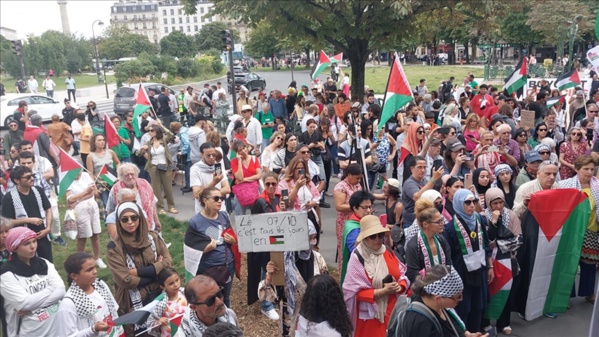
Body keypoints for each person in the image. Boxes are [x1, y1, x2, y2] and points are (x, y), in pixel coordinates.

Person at [106, 202, 173, 336]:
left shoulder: (152, 237)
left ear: (140, 218)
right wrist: (156, 272)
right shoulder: (114, 247)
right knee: (140, 332)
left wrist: (136, 272)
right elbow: (125, 280)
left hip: (157, 294)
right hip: (131, 299)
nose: (130, 222)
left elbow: (169, 262)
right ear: (119, 222)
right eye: (125, 219)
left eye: (134, 217)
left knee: (161, 328)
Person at [343, 215, 409, 337]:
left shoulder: (387, 251)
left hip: (392, 312)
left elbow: (402, 275)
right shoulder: (357, 257)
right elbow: (351, 291)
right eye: (373, 236)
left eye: (380, 235)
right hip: (370, 319)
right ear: (364, 238)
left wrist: (400, 287)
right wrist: (382, 292)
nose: (378, 239)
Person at [0, 227, 65, 336]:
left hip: (55, 328)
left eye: (34, 241)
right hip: (27, 331)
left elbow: (61, 291)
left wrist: (34, 307)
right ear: (14, 248)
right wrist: (50, 289)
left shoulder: (44, 263)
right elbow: (25, 304)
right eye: (26, 244)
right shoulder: (6, 274)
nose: (33, 246)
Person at [443, 189, 493, 333]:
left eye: (474, 201)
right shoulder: (451, 227)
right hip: (462, 273)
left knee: (479, 306)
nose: (472, 205)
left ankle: (476, 332)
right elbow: (449, 256)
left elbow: (486, 244)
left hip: (480, 270)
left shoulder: (479, 219)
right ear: (459, 203)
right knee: (464, 308)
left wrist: (490, 266)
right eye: (467, 202)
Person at [185, 188, 239, 307]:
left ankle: (226, 321)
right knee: (209, 299)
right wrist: (205, 250)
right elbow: (190, 249)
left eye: (222, 198)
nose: (220, 201)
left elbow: (232, 236)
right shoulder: (195, 222)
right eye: (216, 198)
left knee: (225, 297)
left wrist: (233, 241)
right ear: (205, 200)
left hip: (227, 265)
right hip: (207, 268)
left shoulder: (224, 216)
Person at [401, 265, 489, 337]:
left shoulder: (438, 306)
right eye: (457, 297)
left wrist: (466, 334)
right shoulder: (421, 324)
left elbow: (452, 327)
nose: (460, 300)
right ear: (438, 298)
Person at [558, 155, 599, 305]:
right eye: (585, 169)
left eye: (591, 169)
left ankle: (588, 292)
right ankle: (566, 295)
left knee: (590, 263)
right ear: (576, 169)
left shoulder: (597, 185)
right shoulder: (565, 184)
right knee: (569, 263)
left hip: (591, 229)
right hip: (572, 230)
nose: (589, 172)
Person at [482, 188, 522, 336]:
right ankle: (485, 322)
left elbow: (518, 239)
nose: (498, 206)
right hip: (490, 261)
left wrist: (498, 244)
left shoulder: (511, 215)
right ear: (488, 203)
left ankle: (504, 323)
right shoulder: (482, 217)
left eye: (501, 202)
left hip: (507, 260)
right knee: (489, 291)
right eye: (495, 203)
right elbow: (487, 241)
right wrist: (493, 222)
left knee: (506, 291)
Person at [247, 173, 285, 320]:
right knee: (266, 273)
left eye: (273, 184)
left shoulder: (277, 198)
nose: (270, 186)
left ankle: (272, 299)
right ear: (264, 183)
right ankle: (266, 305)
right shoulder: (260, 201)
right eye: (268, 183)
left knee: (275, 271)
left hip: (275, 242)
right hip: (264, 246)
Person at [59, 252, 124, 337]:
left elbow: (114, 312)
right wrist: (94, 329)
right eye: (89, 270)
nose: (95, 272)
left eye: (95, 267)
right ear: (74, 276)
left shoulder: (100, 285)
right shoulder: (69, 304)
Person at [1, 165, 53, 261]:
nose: (32, 179)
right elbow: (7, 222)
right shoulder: (9, 197)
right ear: (17, 180)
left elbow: (48, 209)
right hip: (23, 240)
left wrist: (48, 228)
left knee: (47, 262)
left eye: (32, 175)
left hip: (42, 234)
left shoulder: (38, 190)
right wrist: (28, 220)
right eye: (28, 177)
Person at [405, 196, 453, 283]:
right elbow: (412, 275)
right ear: (425, 224)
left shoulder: (441, 240)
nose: (442, 223)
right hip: (424, 292)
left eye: (442, 220)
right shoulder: (413, 245)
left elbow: (449, 264)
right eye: (438, 222)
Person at [65, 170, 106, 269]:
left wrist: (78, 198)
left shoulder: (86, 175)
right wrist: (84, 192)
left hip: (92, 206)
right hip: (80, 210)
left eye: (78, 172)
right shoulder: (67, 180)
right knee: (82, 237)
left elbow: (92, 193)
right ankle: (79, 261)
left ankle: (97, 258)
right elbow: (69, 199)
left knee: (95, 234)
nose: (78, 175)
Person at [107, 163, 161, 232]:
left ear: (136, 174)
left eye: (132, 174)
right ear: (121, 177)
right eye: (126, 175)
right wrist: (113, 227)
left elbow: (152, 203)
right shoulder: (116, 189)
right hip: (128, 228)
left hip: (148, 225)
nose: (130, 177)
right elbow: (110, 209)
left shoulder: (145, 184)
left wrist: (156, 220)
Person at [139, 123, 178, 215]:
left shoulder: (163, 140)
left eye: (152, 130)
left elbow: (171, 136)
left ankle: (171, 206)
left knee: (168, 188)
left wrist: (162, 125)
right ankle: (160, 207)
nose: (150, 132)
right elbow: (139, 154)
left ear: (157, 131)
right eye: (149, 131)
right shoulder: (149, 143)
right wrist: (142, 149)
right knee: (156, 189)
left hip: (165, 166)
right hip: (153, 167)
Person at [340, 191, 375, 284]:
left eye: (370, 207)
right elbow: (355, 251)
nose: (368, 211)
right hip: (359, 270)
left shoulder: (367, 221)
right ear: (355, 208)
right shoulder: (353, 228)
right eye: (364, 207)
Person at [334, 163, 364, 271]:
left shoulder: (357, 185)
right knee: (345, 249)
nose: (359, 181)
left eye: (360, 178)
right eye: (357, 178)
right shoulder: (341, 187)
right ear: (349, 175)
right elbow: (339, 206)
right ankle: (344, 273)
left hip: (357, 221)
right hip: (345, 223)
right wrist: (356, 207)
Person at [402, 156, 444, 227]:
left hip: (425, 219)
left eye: (425, 167)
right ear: (412, 169)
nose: (423, 170)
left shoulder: (424, 181)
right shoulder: (409, 183)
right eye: (419, 167)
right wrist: (433, 179)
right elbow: (417, 197)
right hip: (411, 222)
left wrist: (440, 193)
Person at [191, 142, 231, 214]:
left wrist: (210, 197)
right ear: (202, 155)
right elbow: (197, 194)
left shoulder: (218, 166)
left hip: (220, 209)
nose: (212, 158)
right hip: (204, 211)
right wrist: (214, 182)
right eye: (208, 155)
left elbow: (227, 189)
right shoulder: (195, 169)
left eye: (213, 155)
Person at [147, 268, 188, 337]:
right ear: (163, 287)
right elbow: (150, 323)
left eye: (177, 280)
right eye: (171, 283)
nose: (176, 284)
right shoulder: (160, 303)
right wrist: (159, 322)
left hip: (186, 331)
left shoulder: (185, 293)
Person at [230, 140, 262, 215]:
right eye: (240, 150)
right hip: (241, 191)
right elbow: (239, 177)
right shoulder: (234, 162)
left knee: (256, 214)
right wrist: (239, 162)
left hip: (253, 189)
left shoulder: (254, 159)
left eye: (244, 148)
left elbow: (259, 175)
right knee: (240, 215)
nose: (243, 151)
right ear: (237, 153)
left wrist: (245, 179)